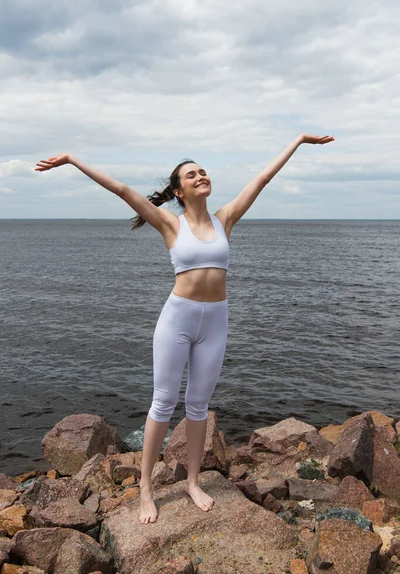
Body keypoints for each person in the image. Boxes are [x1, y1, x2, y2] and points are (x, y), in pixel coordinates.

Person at [35, 132, 334, 524]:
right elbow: (122, 189)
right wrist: (73, 159)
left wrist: (297, 141)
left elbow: (261, 178)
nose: (201, 176)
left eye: (203, 172)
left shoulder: (225, 218)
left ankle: (193, 481)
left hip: (216, 321)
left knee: (198, 406)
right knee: (163, 402)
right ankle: (145, 486)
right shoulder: (170, 224)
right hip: (177, 319)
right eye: (192, 175)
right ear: (178, 191)